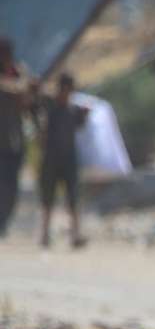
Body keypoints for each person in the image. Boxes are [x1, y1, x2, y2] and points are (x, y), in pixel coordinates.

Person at [35, 73, 89, 249]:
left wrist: (85, 115)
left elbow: (80, 126)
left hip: (69, 159)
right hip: (51, 159)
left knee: (73, 197)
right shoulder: (50, 107)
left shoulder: (73, 110)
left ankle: (76, 235)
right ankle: (44, 235)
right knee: (47, 198)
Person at [0, 37, 31, 238]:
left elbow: (25, 94)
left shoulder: (19, 71)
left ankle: (3, 222)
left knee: (10, 185)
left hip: (13, 140)